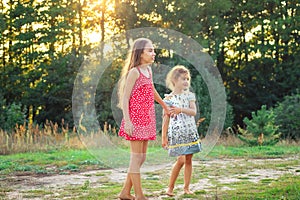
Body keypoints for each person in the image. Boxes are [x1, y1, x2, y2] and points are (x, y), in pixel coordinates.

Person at [117, 38, 169, 200]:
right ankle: (140, 196)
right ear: (140, 53)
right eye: (150, 51)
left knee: (142, 157)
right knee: (136, 157)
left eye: (154, 50)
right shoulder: (134, 72)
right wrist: (128, 121)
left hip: (147, 117)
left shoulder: (148, 70)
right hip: (135, 118)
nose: (154, 53)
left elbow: (151, 90)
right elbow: (125, 99)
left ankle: (125, 192)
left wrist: (164, 105)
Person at [161, 65, 202, 196]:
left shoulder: (189, 96)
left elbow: (193, 112)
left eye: (187, 79)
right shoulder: (168, 99)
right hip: (177, 133)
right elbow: (165, 119)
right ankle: (170, 188)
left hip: (189, 132)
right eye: (183, 79)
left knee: (189, 159)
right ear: (174, 80)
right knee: (181, 160)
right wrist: (164, 137)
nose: (186, 82)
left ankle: (186, 188)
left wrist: (181, 110)